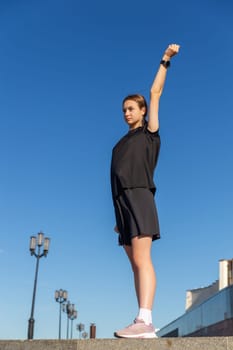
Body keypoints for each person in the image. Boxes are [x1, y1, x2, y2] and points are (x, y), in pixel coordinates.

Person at [110, 44, 180, 338]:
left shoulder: (148, 134)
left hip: (140, 196)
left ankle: (146, 321)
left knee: (142, 260)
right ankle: (141, 317)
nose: (127, 113)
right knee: (134, 265)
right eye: (124, 109)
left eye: (131, 108)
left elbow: (155, 93)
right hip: (123, 204)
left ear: (142, 112)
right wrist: (118, 215)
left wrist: (165, 60)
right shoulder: (119, 144)